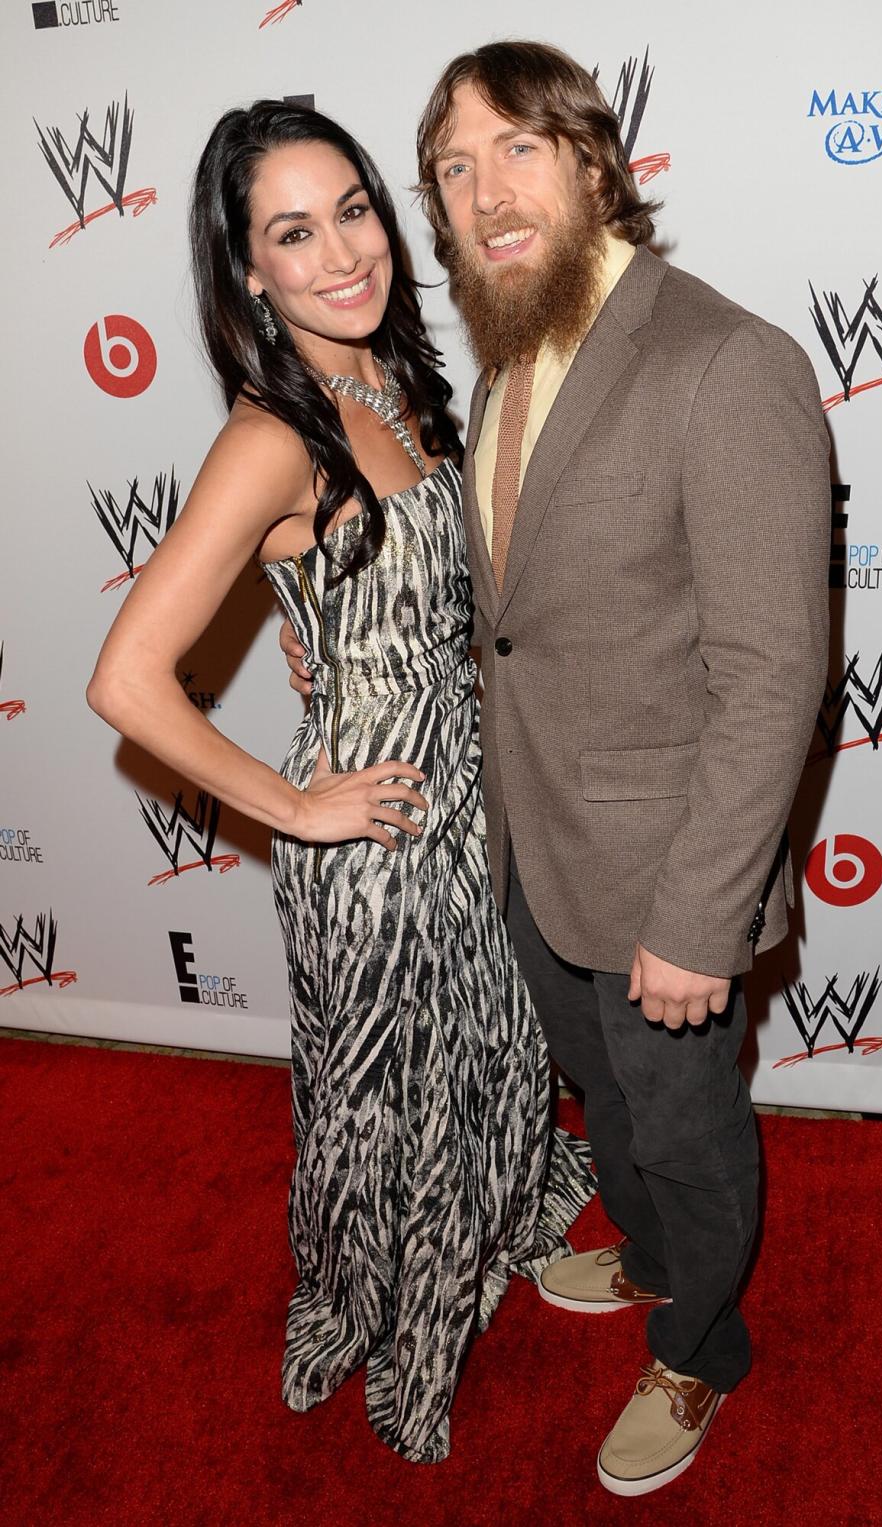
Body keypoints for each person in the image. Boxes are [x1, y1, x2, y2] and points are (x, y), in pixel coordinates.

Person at [280, 40, 832, 1497]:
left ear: (595, 160)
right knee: (609, 1100)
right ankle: (653, 1263)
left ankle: (704, 1347)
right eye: (453, 171)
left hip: (666, 881)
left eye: (514, 149)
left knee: (686, 1121)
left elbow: (775, 676)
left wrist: (701, 921)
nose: (481, 192)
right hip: (536, 854)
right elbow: (522, 621)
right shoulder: (515, 355)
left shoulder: (726, 361)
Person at [87, 99, 593, 1465]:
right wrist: (300, 802)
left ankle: (477, 1236)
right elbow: (127, 678)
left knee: (485, 1061)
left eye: (354, 210)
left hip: (472, 810)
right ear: (247, 271)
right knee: (387, 1097)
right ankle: (386, 1312)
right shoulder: (273, 438)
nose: (340, 253)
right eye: (292, 234)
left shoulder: (402, 382)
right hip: (377, 847)